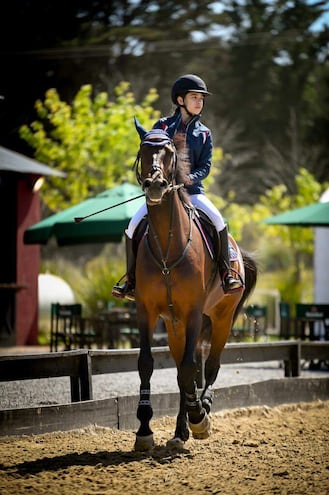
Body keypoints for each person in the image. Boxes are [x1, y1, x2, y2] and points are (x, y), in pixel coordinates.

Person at [112, 74, 243, 301]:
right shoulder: (162, 127)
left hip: (193, 193)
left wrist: (189, 179)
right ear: (180, 100)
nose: (199, 102)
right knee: (132, 227)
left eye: (201, 98)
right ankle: (131, 280)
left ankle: (226, 274)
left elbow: (206, 166)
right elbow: (152, 155)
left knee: (219, 221)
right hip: (162, 195)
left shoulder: (204, 133)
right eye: (194, 97)